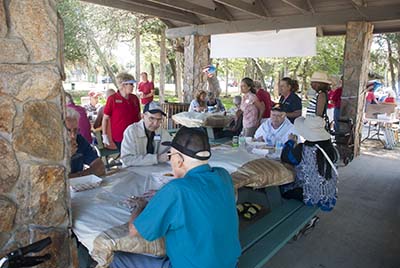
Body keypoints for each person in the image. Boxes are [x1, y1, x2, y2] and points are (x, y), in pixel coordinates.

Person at [110, 126, 241, 268]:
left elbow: (135, 230)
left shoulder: (176, 190)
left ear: (179, 160)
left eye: (171, 156)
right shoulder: (223, 175)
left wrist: (140, 206)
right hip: (229, 263)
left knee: (117, 258)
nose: (171, 161)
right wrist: (164, 196)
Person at [280, 116, 338, 211]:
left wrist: (290, 141)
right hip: (329, 195)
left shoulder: (302, 149)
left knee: (282, 189)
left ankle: (296, 216)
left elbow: (286, 158)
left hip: (311, 196)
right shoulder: (332, 150)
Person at [121, 102, 172, 167]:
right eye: (151, 118)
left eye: (159, 120)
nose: (155, 123)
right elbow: (127, 159)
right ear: (142, 116)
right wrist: (156, 158)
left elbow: (169, 149)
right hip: (132, 171)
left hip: (154, 171)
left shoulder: (162, 131)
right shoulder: (131, 131)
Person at [102, 72, 141, 151]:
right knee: (126, 158)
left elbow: (139, 115)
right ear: (123, 85)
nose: (133, 86)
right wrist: (104, 135)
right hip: (120, 136)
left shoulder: (134, 98)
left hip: (135, 134)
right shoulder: (112, 99)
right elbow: (105, 118)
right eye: (131, 84)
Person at [66, 108, 105, 178]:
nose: (73, 135)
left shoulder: (80, 140)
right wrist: (67, 156)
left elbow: (100, 167)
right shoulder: (51, 146)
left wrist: (77, 176)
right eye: (68, 131)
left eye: (75, 130)